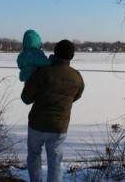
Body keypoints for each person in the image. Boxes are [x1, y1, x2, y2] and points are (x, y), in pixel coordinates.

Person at [21, 39, 84, 182]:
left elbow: (26, 98)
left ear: (55, 53)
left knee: (34, 156)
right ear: (71, 56)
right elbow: (76, 96)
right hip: (59, 127)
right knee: (55, 161)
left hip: (37, 125)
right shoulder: (77, 77)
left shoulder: (43, 72)